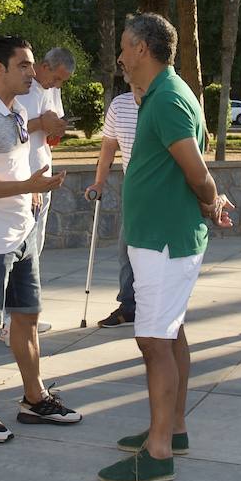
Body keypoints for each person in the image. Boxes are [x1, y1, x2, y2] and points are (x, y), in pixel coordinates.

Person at [98, 13, 232, 481]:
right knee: (170, 334)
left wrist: (212, 200)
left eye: (123, 46)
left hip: (165, 242)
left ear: (141, 48)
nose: (119, 56)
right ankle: (172, 430)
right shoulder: (162, 95)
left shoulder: (169, 99)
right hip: (158, 237)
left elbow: (196, 170)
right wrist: (209, 200)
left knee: (153, 341)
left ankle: (158, 452)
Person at [0, 35, 79, 443]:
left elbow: (14, 168)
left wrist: (34, 188)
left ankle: (34, 398)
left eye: (31, 65)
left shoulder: (17, 113)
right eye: (23, 65)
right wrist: (26, 184)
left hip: (21, 232)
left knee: (26, 318)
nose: (32, 73)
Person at [0, 48, 73, 344]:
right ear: (43, 66)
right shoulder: (23, 91)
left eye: (62, 81)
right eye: (56, 77)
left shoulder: (49, 92)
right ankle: (10, 320)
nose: (58, 85)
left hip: (41, 177)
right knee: (17, 250)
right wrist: (40, 124)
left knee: (34, 250)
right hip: (23, 180)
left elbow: (49, 135)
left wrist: (55, 129)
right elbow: (9, 130)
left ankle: (24, 315)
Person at [89, 83, 146, 329]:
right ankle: (129, 306)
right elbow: (108, 147)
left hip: (162, 187)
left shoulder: (163, 100)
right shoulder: (119, 105)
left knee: (153, 252)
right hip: (133, 189)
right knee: (127, 249)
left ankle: (151, 304)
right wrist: (99, 183)